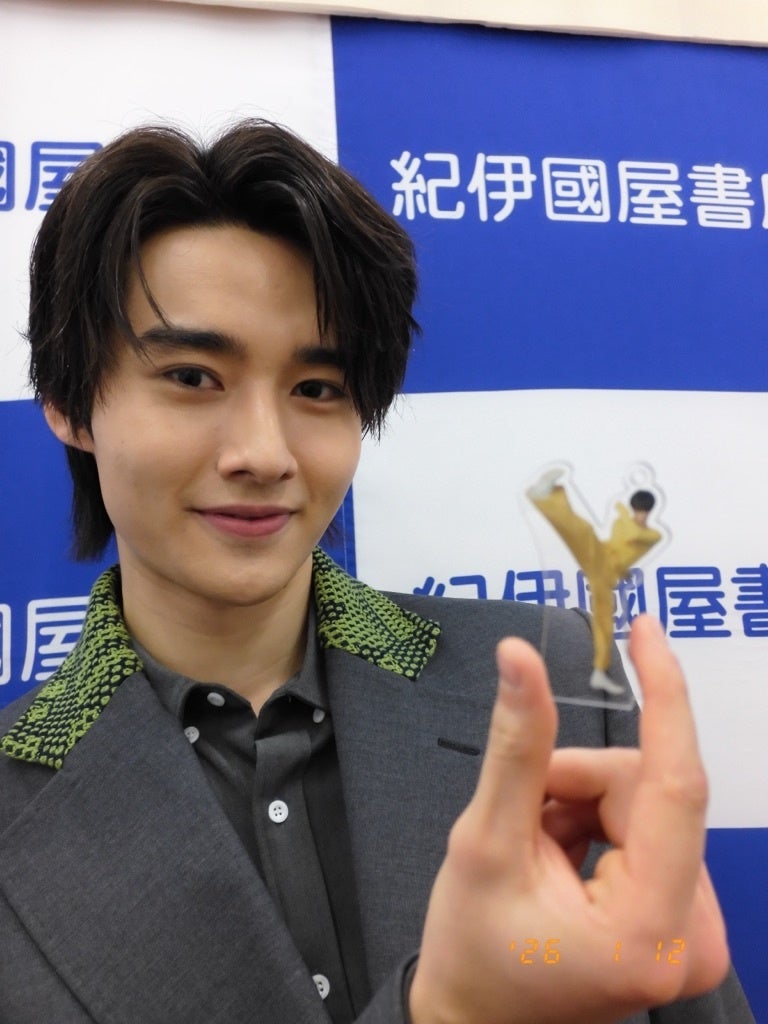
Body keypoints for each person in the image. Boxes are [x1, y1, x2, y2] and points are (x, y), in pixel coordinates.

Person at [0, 121, 753, 1024]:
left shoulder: (548, 685)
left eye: (316, 390)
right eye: (194, 377)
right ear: (68, 401)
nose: (263, 453)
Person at [528, 471, 662, 696]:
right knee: (581, 530)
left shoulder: (652, 534)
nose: (640, 516)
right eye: (637, 511)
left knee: (603, 625)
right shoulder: (623, 522)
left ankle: (599, 671)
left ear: (649, 512)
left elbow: (633, 539)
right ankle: (546, 497)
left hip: (605, 576)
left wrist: (623, 515)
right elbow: (620, 543)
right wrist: (623, 515)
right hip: (600, 559)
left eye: (643, 512)